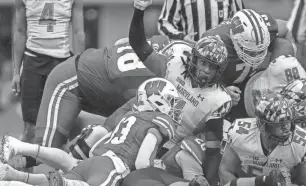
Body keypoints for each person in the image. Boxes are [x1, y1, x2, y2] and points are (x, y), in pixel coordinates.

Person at [0, 77, 185, 186]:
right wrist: (158, 170)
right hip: (114, 167)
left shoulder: (132, 115)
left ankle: (13, 175)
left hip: (94, 159)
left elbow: (102, 134)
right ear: (158, 101)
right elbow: (142, 162)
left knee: (62, 171)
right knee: (65, 182)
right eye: (171, 101)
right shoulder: (160, 121)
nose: (174, 107)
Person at [130, 1, 232, 185]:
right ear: (194, 59)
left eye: (213, 66)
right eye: (204, 63)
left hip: (171, 146)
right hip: (144, 124)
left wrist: (212, 180)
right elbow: (139, 45)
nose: (206, 71)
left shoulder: (219, 99)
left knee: (183, 157)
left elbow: (212, 149)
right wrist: (139, 11)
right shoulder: (176, 60)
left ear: (220, 71)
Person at [12, 0, 85, 143]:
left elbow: (78, 33)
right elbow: (20, 32)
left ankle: (64, 165)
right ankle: (27, 163)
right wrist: (16, 72)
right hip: (33, 62)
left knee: (64, 127)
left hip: (61, 62)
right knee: (30, 128)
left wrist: (79, 69)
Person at [219, 92, 306, 186]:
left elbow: (302, 183)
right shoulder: (240, 132)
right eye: (279, 124)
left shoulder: (301, 143)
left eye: (288, 122)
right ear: (263, 125)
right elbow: (225, 171)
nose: (286, 128)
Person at [158, 0, 245, 44]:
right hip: (191, 53)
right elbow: (164, 23)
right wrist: (182, 37)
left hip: (224, 55)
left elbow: (241, 21)